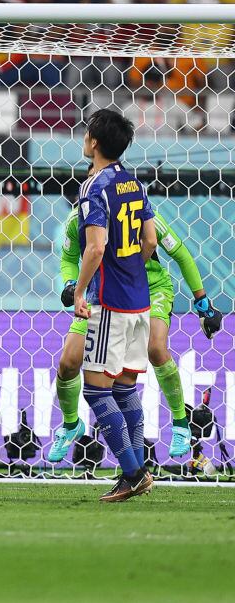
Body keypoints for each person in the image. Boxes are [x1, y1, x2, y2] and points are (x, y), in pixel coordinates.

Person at [48, 164, 223, 464]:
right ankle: (70, 424)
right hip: (102, 294)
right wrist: (69, 284)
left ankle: (180, 424)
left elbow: (178, 252)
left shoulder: (140, 210)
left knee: (155, 349)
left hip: (151, 287)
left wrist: (202, 302)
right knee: (68, 362)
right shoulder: (78, 218)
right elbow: (68, 258)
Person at [72, 109, 157, 502]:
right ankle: (138, 472)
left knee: (94, 390)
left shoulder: (94, 187)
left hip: (110, 303)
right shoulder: (134, 184)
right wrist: (131, 273)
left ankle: (132, 471)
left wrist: (79, 291)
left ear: (93, 142)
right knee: (125, 389)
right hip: (141, 303)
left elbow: (95, 246)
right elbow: (150, 242)